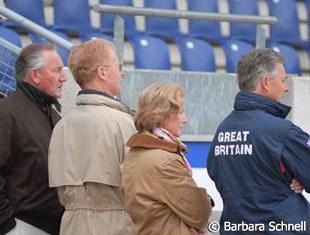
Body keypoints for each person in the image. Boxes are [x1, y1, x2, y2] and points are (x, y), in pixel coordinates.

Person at [207, 48, 310, 234]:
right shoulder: (283, 132)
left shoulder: (222, 130)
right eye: (283, 80)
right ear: (266, 83)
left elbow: (218, 175)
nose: (286, 88)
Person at [48, 39, 136, 235]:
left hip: (70, 226)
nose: (122, 73)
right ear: (102, 72)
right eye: (118, 66)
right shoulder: (122, 122)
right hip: (116, 227)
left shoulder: (61, 125)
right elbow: (138, 186)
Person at [122, 83, 213, 235]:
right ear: (163, 115)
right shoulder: (164, 160)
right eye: (181, 112)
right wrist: (206, 200)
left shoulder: (137, 152)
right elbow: (200, 214)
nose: (185, 119)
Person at [0, 44, 67, 235]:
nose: (64, 77)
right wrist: (7, 226)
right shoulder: (6, 114)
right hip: (22, 226)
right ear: (35, 75)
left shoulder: (52, 112)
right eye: (57, 70)